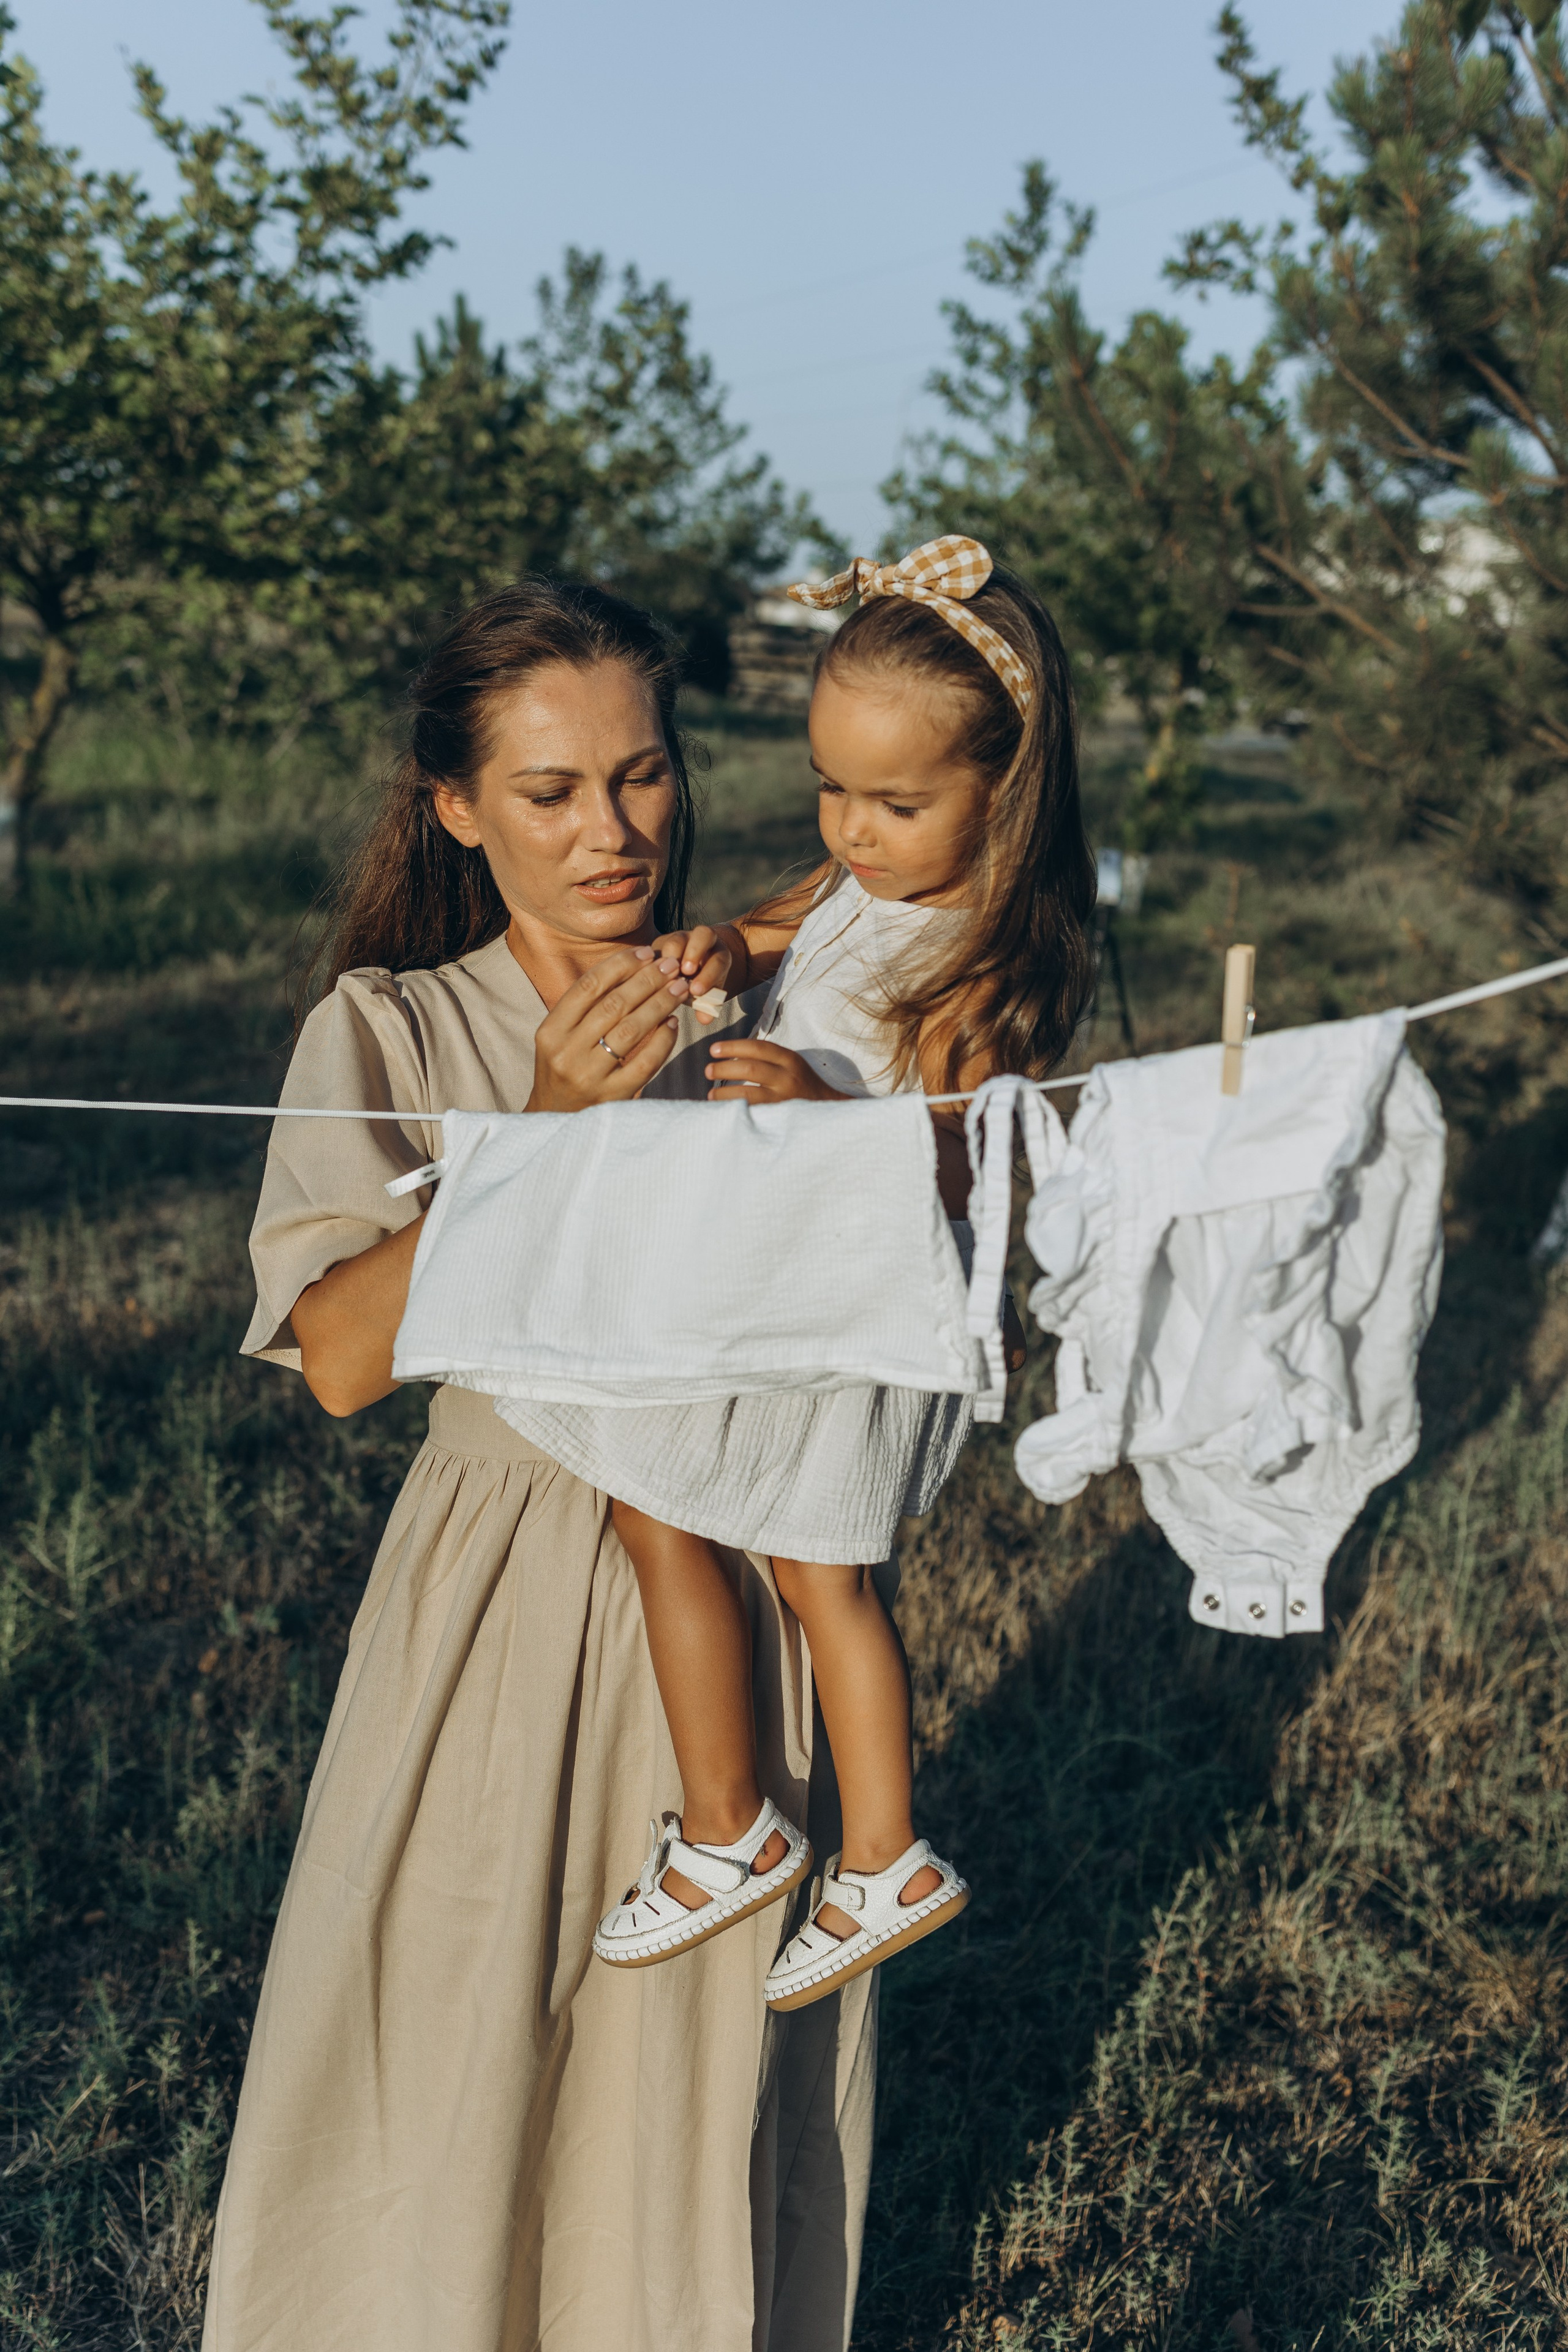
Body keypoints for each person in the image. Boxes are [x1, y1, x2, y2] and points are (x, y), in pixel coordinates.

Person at [202, 581, 882, 2352]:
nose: (612, 834)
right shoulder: (399, 1028)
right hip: (507, 1586)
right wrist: (551, 1144)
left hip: (744, 1573)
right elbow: (343, 1360)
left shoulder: (785, 1001)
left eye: (643, 779)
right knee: (453, 2042)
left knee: (698, 2069)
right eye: (552, 791)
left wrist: (849, 1139)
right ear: (454, 805)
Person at [500, 539, 1096, 2015]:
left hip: (852, 1312)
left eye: (895, 803)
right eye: (830, 789)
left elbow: (966, 1167)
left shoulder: (973, 959)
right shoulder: (859, 884)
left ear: (1001, 794)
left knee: (823, 1572)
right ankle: (732, 1825)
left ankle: (877, 1851)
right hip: (775, 1290)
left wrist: (820, 1113)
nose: (854, 830)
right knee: (657, 1509)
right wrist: (719, 938)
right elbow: (789, 920)